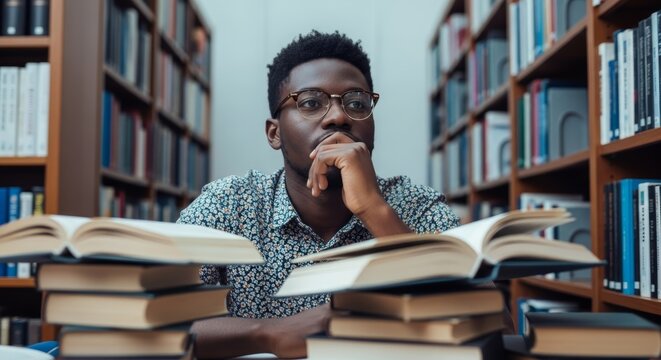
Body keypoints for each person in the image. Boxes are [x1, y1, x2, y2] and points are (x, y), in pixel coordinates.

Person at [177, 30, 460, 359]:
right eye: (311, 103)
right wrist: (268, 333)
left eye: (357, 103)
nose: (339, 117)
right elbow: (154, 321)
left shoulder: (419, 208)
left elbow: (497, 330)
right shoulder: (228, 205)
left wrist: (374, 211)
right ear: (274, 133)